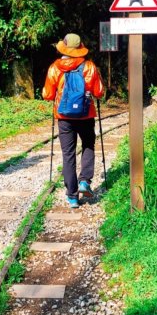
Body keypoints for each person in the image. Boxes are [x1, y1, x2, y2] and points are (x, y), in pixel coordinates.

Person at [43, 33, 104, 208]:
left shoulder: (55, 68)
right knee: (88, 145)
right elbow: (99, 91)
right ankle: (84, 181)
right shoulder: (89, 67)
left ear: (64, 47)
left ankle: (72, 196)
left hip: (64, 117)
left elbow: (47, 95)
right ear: (80, 48)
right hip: (86, 115)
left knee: (68, 154)